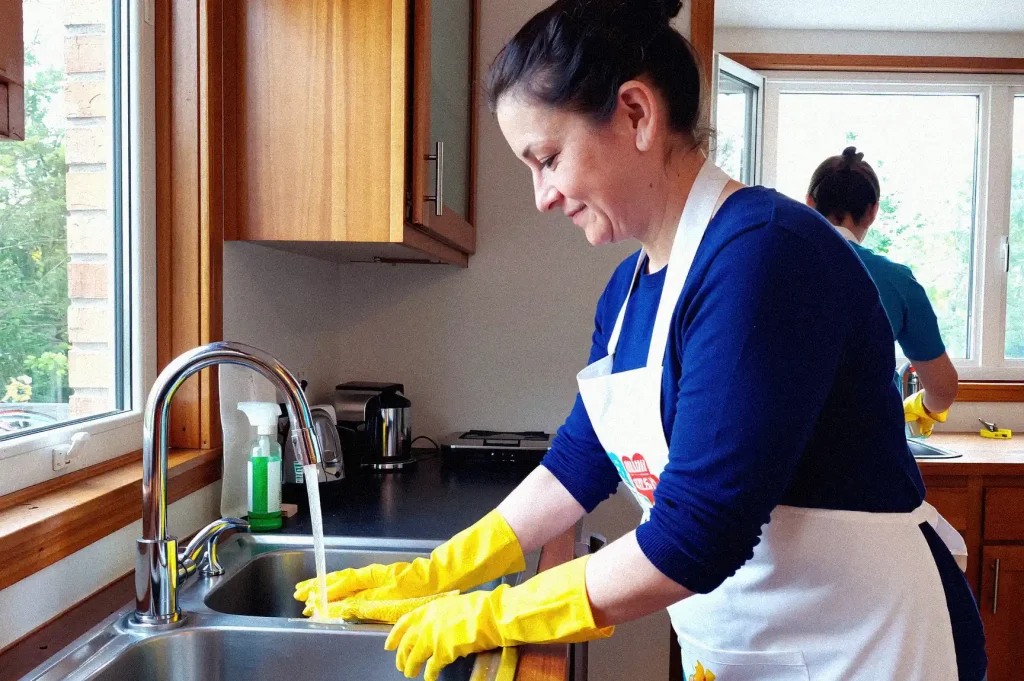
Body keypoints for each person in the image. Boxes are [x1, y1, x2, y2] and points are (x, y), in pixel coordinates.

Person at [294, 2, 985, 679]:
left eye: (548, 157)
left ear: (636, 113)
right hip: (757, 649)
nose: (542, 194)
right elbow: (578, 462)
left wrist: (496, 613)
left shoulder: (763, 258)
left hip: (869, 648)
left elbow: (698, 534)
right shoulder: (630, 290)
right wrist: (439, 570)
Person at [806, 147, 960, 437]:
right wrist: (921, 406)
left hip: (781, 451)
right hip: (861, 450)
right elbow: (943, 389)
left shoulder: (774, 264)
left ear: (810, 202)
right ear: (873, 211)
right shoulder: (895, 281)